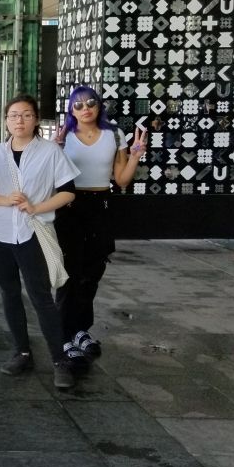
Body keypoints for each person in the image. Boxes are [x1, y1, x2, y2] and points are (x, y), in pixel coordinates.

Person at [0, 95, 80, 390]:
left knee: (40, 296)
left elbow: (68, 192)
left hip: (34, 231)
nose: (19, 121)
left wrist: (37, 207)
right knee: (9, 293)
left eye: (26, 115)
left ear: (35, 120)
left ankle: (60, 360)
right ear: (5, 121)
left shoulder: (50, 152)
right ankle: (21, 352)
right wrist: (5, 200)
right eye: (13, 116)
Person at [55, 85, 146, 364]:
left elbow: (121, 180)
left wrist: (135, 156)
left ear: (98, 105)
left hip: (100, 204)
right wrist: (56, 148)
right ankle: (63, 334)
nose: (85, 108)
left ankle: (81, 329)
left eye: (90, 102)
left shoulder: (113, 134)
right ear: (71, 110)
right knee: (69, 272)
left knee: (92, 272)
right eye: (78, 105)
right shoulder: (64, 136)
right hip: (70, 205)